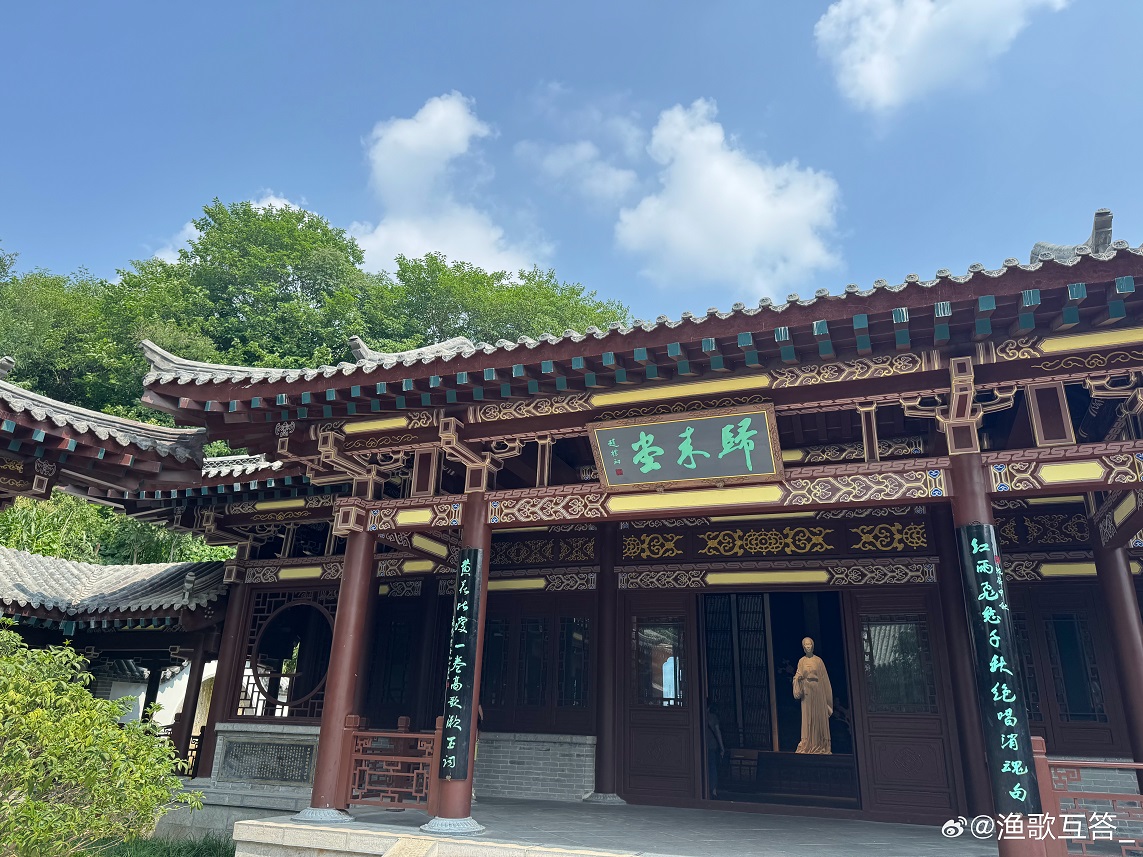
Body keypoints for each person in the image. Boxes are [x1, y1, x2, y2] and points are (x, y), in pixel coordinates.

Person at [792, 637, 833, 754]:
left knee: (818, 717)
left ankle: (821, 744)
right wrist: (798, 679)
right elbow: (797, 675)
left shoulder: (818, 661)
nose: (808, 646)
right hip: (807, 692)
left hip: (818, 690)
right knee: (808, 718)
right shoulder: (801, 661)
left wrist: (826, 698)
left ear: (812, 646)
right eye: (806, 645)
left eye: (809, 644)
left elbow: (824, 679)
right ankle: (808, 744)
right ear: (803, 647)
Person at [705, 700, 726, 798]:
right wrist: (722, 747)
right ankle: (713, 790)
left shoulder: (698, 717)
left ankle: (703, 787)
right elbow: (718, 732)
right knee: (712, 767)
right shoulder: (713, 717)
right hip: (712, 745)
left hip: (701, 747)